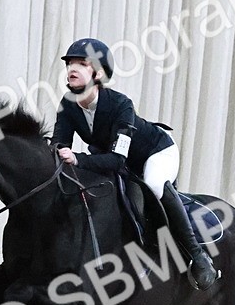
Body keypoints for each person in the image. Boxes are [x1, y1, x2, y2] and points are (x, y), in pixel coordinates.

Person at [51, 37, 219, 291]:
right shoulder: (68, 104)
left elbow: (118, 159)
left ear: (97, 73)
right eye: (69, 63)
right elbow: (59, 144)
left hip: (155, 153)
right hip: (118, 161)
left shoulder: (120, 104)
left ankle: (198, 256)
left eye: (81, 64)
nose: (72, 69)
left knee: (152, 184)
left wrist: (78, 158)